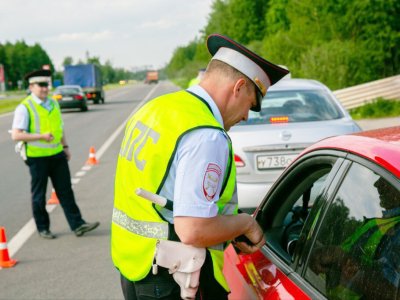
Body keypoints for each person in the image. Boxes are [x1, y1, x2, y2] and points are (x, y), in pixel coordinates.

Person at [111, 33, 289, 300]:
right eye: (250, 106)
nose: (244, 117)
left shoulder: (157, 108)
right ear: (238, 87)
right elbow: (193, 229)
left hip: (135, 265)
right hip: (173, 279)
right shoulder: (206, 135)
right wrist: (244, 224)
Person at [11, 69, 100, 239]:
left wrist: (65, 147)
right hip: (37, 158)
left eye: (47, 85)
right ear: (31, 86)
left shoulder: (53, 103)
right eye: (41, 85)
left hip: (57, 155)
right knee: (39, 195)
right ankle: (43, 228)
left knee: (66, 191)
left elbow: (60, 128)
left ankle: (78, 225)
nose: (45, 88)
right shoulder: (25, 107)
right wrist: (41, 136)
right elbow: (16, 135)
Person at [310, 177, 400, 299]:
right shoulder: (384, 220)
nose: (376, 184)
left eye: (385, 179)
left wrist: (342, 259)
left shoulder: (397, 233)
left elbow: (393, 293)